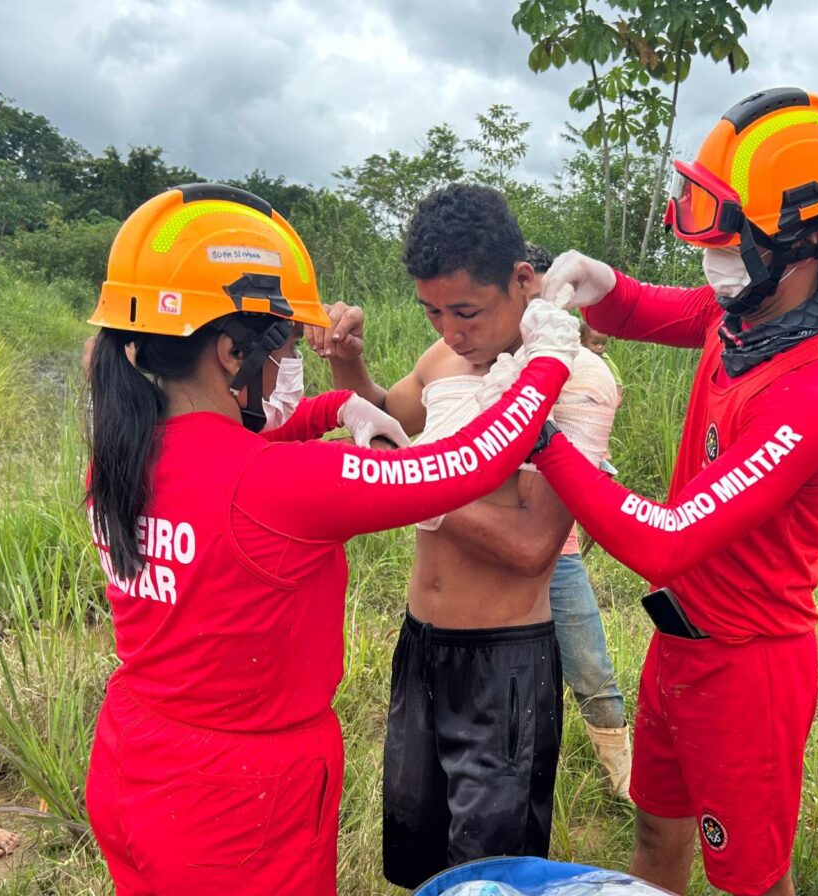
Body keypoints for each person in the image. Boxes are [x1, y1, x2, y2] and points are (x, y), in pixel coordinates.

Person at [82, 182, 580, 896]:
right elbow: (467, 464)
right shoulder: (276, 484)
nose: (285, 365)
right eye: (284, 349)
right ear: (230, 351)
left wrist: (334, 404)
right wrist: (549, 361)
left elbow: (232, 454)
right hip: (238, 803)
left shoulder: (120, 453)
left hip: (135, 762)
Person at [532, 88, 818, 896]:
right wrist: (591, 278)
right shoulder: (737, 320)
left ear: (807, 240)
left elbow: (664, 539)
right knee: (656, 831)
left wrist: (543, 439)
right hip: (679, 645)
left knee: (752, 880)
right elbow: (638, 307)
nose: (713, 253)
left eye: (731, 233)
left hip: (748, 672)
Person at [312, 184, 619, 888]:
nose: (451, 331)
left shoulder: (572, 377)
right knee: (418, 861)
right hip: (421, 643)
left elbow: (534, 546)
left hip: (502, 664)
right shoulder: (443, 358)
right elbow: (389, 417)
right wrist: (347, 360)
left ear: (522, 280)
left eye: (467, 312)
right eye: (433, 311)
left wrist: (412, 487)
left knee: (488, 874)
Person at [528, 244, 632, 799]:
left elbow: (583, 464)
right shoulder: (481, 359)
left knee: (590, 665)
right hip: (492, 551)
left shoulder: (586, 373)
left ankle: (623, 778)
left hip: (556, 550)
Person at [578, 319, 623, 402]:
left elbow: (617, 380)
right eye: (595, 343)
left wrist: (618, 396)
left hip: (599, 397)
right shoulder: (578, 356)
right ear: (582, 342)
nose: (600, 347)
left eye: (603, 344)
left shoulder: (604, 359)